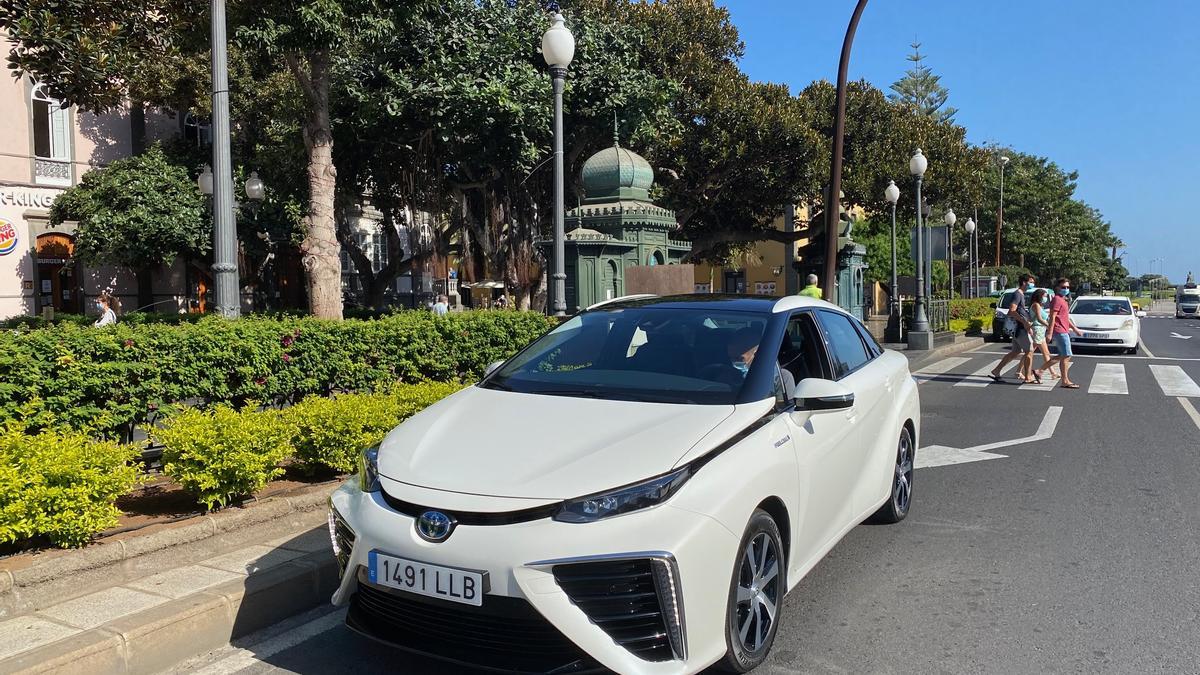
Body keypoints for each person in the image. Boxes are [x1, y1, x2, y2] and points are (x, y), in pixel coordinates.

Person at [1035, 278, 1083, 389]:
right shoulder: (1057, 299)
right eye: (1063, 287)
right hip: (1059, 330)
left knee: (1063, 355)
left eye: (1067, 287)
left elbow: (1065, 318)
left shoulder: (1063, 300)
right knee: (1066, 355)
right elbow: (1052, 316)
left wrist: (1075, 329)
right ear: (1057, 288)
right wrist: (1050, 333)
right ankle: (1064, 380)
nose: (1066, 289)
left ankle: (1040, 371)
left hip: (1064, 330)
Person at [990, 273, 1037, 383]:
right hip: (1020, 328)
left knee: (1015, 351)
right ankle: (1028, 377)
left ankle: (996, 370)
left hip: (1019, 328)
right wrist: (1024, 321)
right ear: (1024, 282)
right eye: (1031, 282)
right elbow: (1012, 310)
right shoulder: (1018, 294)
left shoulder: (1020, 294)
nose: (1032, 284)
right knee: (1029, 351)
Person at [1029, 288, 1060, 381]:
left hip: (1040, 331)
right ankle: (1020, 371)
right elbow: (1039, 319)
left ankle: (1053, 373)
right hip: (1037, 330)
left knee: (1043, 353)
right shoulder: (1036, 305)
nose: (1046, 298)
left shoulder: (1039, 306)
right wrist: (1049, 326)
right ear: (1040, 296)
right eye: (1045, 296)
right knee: (1030, 353)